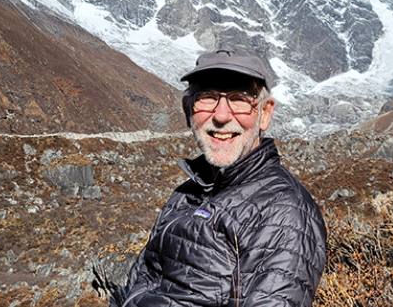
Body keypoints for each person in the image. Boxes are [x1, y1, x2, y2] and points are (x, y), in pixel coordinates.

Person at [111, 48, 327, 306]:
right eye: (207, 98)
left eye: (239, 100)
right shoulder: (188, 192)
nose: (222, 116)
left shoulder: (283, 212)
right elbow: (141, 283)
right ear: (188, 109)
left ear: (265, 113)